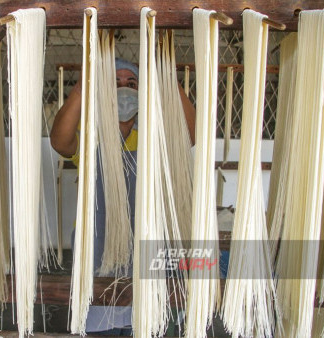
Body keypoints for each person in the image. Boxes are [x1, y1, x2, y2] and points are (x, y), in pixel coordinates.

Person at [50, 58, 196, 335]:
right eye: (115, 83)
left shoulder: (154, 136)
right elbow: (60, 141)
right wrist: (83, 88)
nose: (124, 89)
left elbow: (190, 134)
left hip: (146, 245)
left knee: (143, 321)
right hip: (97, 248)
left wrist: (168, 77)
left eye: (132, 83)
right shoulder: (91, 135)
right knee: (98, 320)